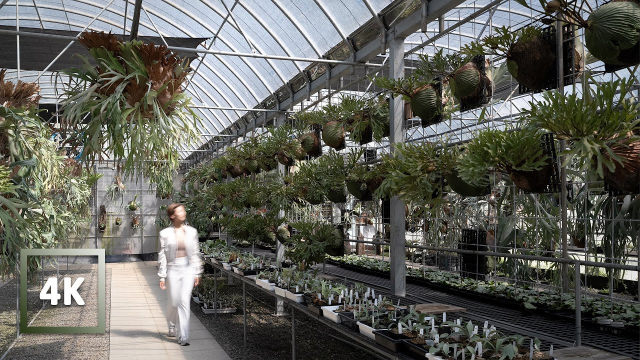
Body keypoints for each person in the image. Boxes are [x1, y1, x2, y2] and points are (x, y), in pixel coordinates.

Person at [157, 203, 202, 346]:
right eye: (179, 211)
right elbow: (162, 256)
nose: (183, 212)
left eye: (184, 210)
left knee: (183, 300)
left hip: (187, 268)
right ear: (172, 216)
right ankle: (171, 325)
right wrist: (162, 276)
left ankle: (184, 337)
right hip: (172, 268)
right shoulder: (164, 234)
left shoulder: (192, 232)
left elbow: (195, 253)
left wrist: (197, 272)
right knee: (173, 301)